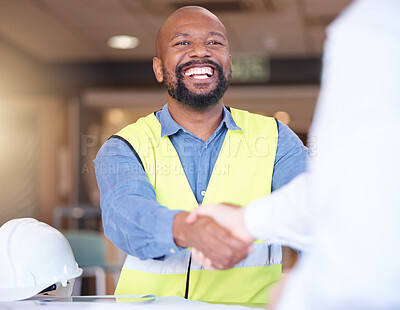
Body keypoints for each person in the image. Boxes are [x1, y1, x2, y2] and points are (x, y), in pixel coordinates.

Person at [187, 0, 400, 309]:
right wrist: (246, 221)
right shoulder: (375, 23)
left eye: (214, 43)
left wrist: (302, 294)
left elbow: (365, 190)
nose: (200, 52)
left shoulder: (374, 28)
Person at [94, 6, 308, 304]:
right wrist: (187, 230)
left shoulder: (276, 138)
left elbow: (312, 214)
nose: (200, 52)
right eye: (182, 42)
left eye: (214, 42)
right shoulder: (124, 145)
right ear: (159, 69)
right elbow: (125, 217)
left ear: (228, 64)